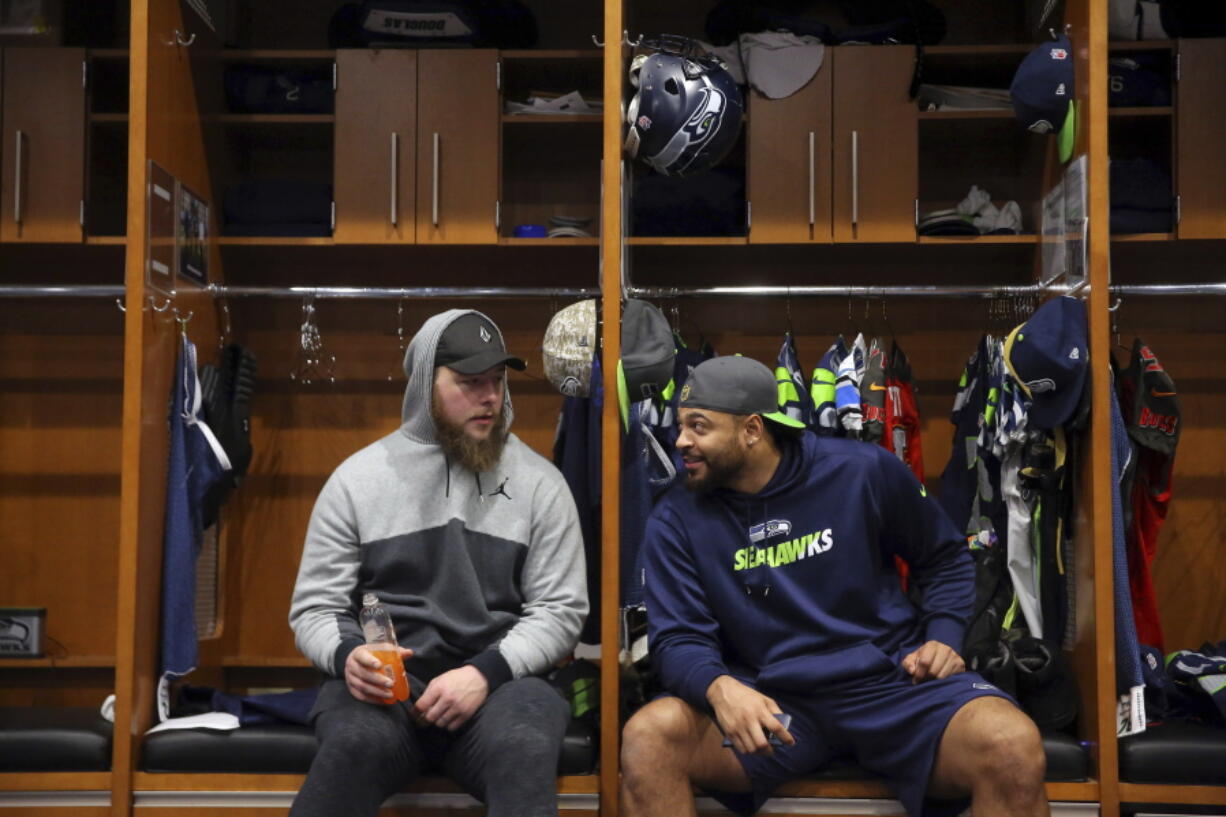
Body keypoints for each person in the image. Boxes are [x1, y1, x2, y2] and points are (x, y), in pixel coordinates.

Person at [621, 355, 1049, 817]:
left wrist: (943, 636)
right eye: (682, 426)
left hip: (891, 685)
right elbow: (678, 637)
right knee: (650, 738)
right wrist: (719, 687)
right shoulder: (675, 517)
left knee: (1012, 745)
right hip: (774, 701)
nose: (681, 440)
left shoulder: (861, 470)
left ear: (751, 430)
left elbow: (944, 558)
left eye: (699, 427)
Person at [289, 309, 588, 817]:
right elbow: (315, 609)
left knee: (525, 743)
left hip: (498, 687)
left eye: (496, 381)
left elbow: (560, 610)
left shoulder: (541, 484)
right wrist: (347, 659)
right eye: (470, 382)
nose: (489, 397)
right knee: (352, 746)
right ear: (427, 383)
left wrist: (484, 673)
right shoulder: (356, 480)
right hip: (385, 692)